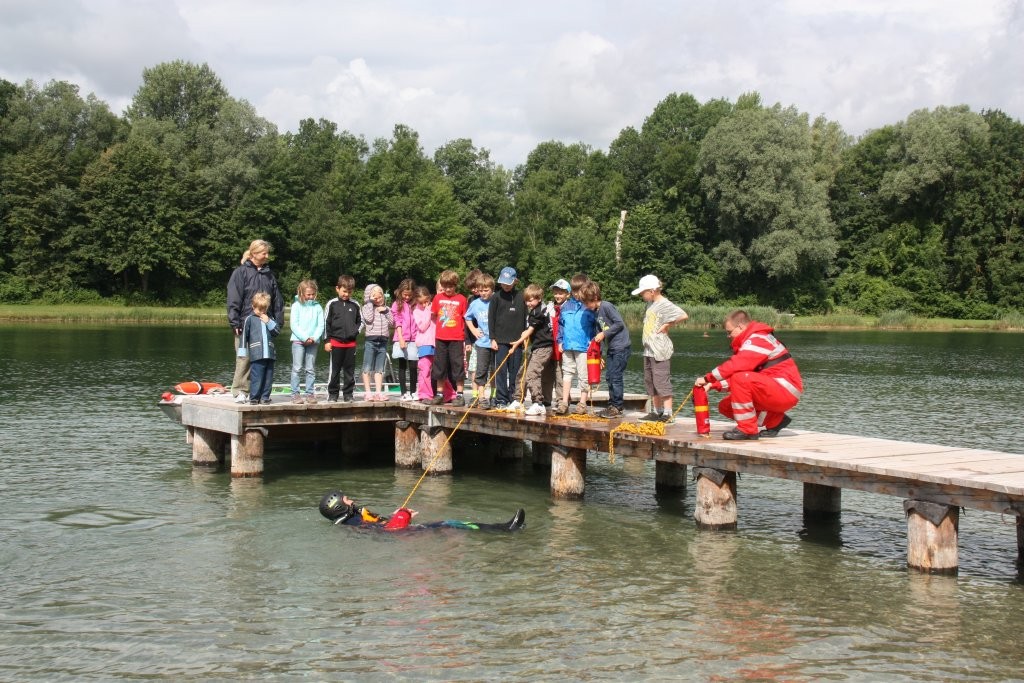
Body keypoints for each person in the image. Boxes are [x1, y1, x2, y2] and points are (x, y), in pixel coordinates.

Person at [694, 309, 803, 440]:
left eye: (729, 332)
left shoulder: (757, 339)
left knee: (740, 378)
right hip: (775, 388)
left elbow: (737, 367)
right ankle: (776, 420)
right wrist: (712, 385)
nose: (728, 336)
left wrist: (707, 378)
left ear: (740, 326)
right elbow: (742, 375)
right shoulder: (753, 339)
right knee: (726, 406)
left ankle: (748, 430)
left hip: (785, 390)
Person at [227, 239, 284, 403]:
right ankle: (239, 391)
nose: (267, 256)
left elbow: (277, 300)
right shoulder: (240, 272)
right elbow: (233, 298)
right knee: (244, 358)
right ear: (254, 254)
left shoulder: (269, 274)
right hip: (246, 322)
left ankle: (257, 393)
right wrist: (235, 322)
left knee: (262, 358)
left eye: (267, 253)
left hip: (265, 324)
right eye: (263, 253)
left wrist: (278, 321)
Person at [318, 490, 526, 532]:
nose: (351, 499)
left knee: (447, 526)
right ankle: (505, 529)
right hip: (400, 536)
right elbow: (389, 531)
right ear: (338, 506)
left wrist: (397, 514)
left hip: (399, 533)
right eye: (347, 499)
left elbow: (381, 525)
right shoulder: (352, 524)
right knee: (448, 523)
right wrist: (402, 516)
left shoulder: (352, 519)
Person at [633, 274, 688, 423]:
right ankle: (657, 411)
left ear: (652, 290)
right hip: (648, 349)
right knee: (650, 381)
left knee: (661, 380)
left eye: (643, 292)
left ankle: (668, 413)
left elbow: (683, 315)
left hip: (659, 349)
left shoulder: (664, 303)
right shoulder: (650, 304)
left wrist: (668, 324)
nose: (641, 295)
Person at [579, 281, 631, 418]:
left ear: (595, 298)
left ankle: (618, 407)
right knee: (609, 377)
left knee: (616, 377)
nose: (586, 306)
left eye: (587, 303)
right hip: (612, 348)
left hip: (621, 346)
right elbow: (598, 334)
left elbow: (619, 324)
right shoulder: (595, 312)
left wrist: (604, 334)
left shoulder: (606, 306)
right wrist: (599, 355)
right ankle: (611, 405)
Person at [556, 273, 597, 415]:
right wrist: (560, 341)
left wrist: (596, 348)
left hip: (584, 347)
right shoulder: (566, 307)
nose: (576, 294)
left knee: (583, 375)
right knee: (567, 373)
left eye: (579, 290)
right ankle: (564, 402)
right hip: (568, 346)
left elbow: (595, 328)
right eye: (574, 290)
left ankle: (582, 403)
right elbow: (561, 325)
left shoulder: (589, 308)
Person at [515, 283, 558, 416]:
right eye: (526, 300)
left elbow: (530, 330)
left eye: (531, 300)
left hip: (544, 347)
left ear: (539, 298)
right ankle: (518, 400)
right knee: (522, 372)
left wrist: (517, 342)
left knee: (532, 373)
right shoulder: (534, 311)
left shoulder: (539, 312)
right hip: (536, 347)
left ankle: (538, 403)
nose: (528, 303)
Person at [489, 266, 528, 410]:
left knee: (515, 370)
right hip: (499, 340)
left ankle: (514, 397)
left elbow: (525, 319)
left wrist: (523, 339)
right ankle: (501, 398)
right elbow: (491, 318)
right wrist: (492, 338)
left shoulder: (521, 297)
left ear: (515, 282)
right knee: (500, 370)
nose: (506, 285)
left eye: (508, 283)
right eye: (503, 282)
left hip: (516, 340)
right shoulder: (495, 297)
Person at [431, 270, 468, 406]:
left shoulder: (462, 299)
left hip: (457, 338)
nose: (448, 289)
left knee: (457, 366)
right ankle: (439, 394)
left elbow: (466, 318)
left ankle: (459, 395)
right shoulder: (437, 298)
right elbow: (434, 315)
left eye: (450, 286)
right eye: (445, 286)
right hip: (441, 337)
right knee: (440, 366)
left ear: (455, 285)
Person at [323, 275, 361, 403]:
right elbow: (326, 323)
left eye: (349, 292)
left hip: (350, 344)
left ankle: (348, 394)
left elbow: (361, 322)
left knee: (349, 371)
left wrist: (354, 332)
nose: (346, 294)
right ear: (337, 289)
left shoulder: (355, 304)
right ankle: (333, 395)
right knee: (335, 371)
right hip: (335, 343)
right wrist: (327, 341)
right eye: (344, 291)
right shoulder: (332, 304)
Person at [239, 292, 279, 405]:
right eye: (259, 309)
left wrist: (269, 322)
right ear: (253, 307)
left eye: (264, 309)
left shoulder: (270, 319)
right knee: (257, 377)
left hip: (270, 354)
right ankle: (254, 398)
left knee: (268, 378)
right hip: (257, 354)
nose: (261, 312)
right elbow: (244, 337)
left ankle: (265, 397)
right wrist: (242, 351)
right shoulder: (249, 319)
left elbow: (276, 332)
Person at [289, 279, 324, 404]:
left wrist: (313, 338)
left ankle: (310, 393)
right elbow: (294, 325)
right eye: (308, 294)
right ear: (301, 293)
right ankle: (295, 394)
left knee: (310, 369)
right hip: (298, 341)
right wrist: (305, 338)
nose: (311, 297)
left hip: (313, 342)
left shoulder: (318, 307)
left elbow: (321, 325)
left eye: (312, 294)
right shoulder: (296, 306)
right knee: (297, 368)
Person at [465, 273, 495, 408]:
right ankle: (481, 397)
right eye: (480, 290)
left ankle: (494, 396)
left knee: (494, 370)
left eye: (486, 290)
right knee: (481, 370)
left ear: (492, 289)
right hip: (482, 342)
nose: (483, 293)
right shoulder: (475, 303)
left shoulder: (496, 300)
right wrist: (474, 330)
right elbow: (467, 318)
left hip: (496, 342)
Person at [361, 284, 393, 401]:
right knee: (367, 367)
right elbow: (368, 319)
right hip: (371, 341)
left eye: (380, 297)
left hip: (383, 341)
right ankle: (368, 392)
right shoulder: (366, 307)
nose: (378, 299)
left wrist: (386, 311)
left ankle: (378, 392)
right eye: (375, 297)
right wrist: (370, 303)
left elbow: (391, 323)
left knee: (380, 369)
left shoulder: (387, 309)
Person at [390, 279, 419, 400]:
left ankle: (413, 391)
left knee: (413, 366)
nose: (407, 297)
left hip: (415, 339)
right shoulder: (397, 304)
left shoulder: (416, 303)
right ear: (400, 292)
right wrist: (401, 338)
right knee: (402, 366)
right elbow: (398, 321)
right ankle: (403, 392)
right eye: (405, 294)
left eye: (409, 295)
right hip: (401, 338)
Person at [412, 285, 440, 402]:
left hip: (436, 342)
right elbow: (422, 327)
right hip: (424, 343)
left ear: (430, 298)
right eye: (421, 302)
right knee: (424, 368)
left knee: (440, 369)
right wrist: (428, 312)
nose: (424, 304)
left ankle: (446, 393)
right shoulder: (417, 311)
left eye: (426, 301)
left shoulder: (435, 306)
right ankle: (424, 394)